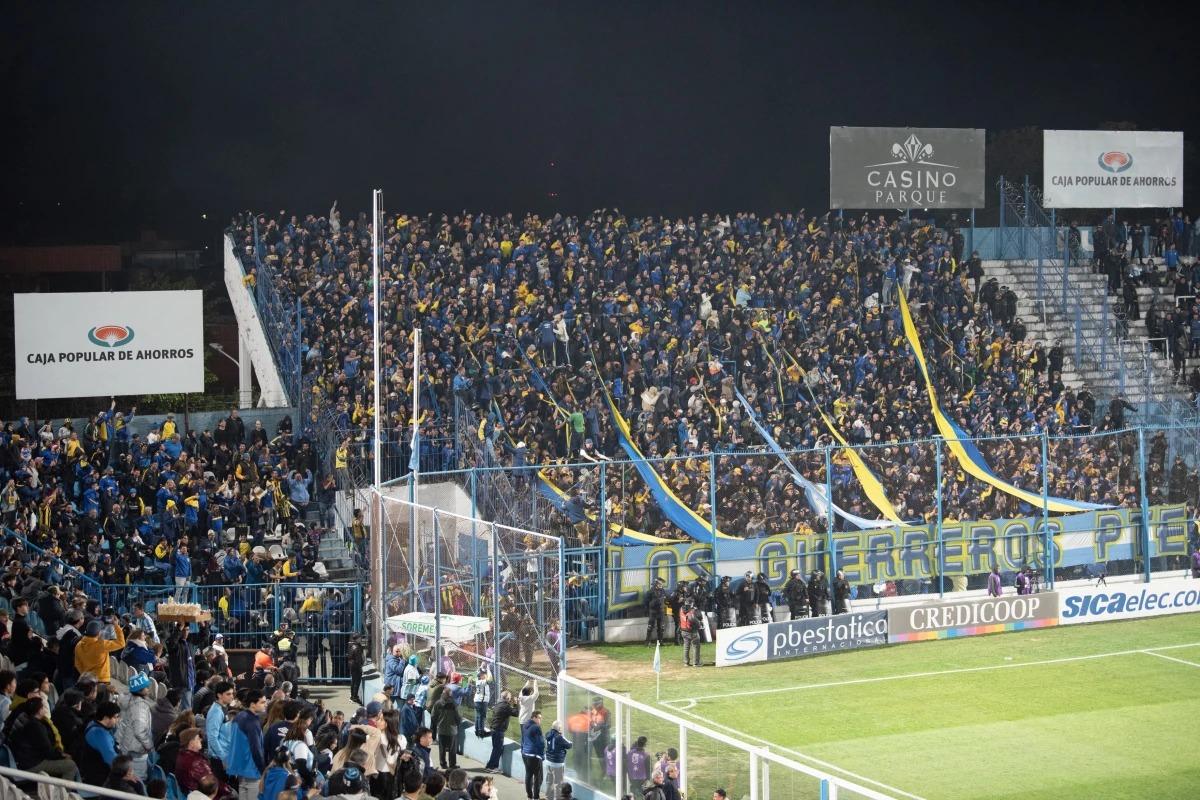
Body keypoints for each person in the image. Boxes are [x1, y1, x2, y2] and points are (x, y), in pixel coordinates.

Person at [2, 696, 77, 779]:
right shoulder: (36, 727)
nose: (45, 709)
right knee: (71, 765)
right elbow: (48, 751)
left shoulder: (25, 719)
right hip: (30, 764)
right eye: (43, 707)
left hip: (22, 760)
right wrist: (62, 755)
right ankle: (62, 788)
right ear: (39, 711)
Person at [226, 689, 269, 800]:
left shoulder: (239, 716)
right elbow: (256, 749)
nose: (265, 705)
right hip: (252, 769)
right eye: (262, 702)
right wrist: (263, 770)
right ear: (253, 704)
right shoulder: (252, 722)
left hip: (240, 769)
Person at [116, 672, 156, 779]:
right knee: (138, 779)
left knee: (127, 776)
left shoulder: (129, 699)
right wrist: (150, 746)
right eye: (146, 687)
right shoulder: (139, 707)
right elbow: (139, 731)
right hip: (136, 749)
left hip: (126, 744)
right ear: (140, 690)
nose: (148, 689)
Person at [77, 700, 123, 786]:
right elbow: (112, 760)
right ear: (106, 718)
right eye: (115, 717)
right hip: (99, 777)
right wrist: (125, 772)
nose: (118, 720)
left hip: (92, 771)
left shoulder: (93, 723)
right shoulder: (100, 734)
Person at [484, 691, 517, 773]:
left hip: (494, 728)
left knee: (496, 748)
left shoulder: (498, 704)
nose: (510, 699)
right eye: (510, 697)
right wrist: (515, 704)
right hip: (498, 730)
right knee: (497, 749)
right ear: (507, 698)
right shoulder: (505, 706)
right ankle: (491, 767)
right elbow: (516, 713)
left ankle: (492, 766)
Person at [175, 727, 215, 795]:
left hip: (190, 794)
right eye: (198, 738)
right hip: (201, 795)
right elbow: (211, 784)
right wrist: (228, 790)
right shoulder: (196, 761)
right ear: (191, 742)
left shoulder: (182, 755)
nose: (201, 739)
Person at [544, 720, 572, 800]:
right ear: (559, 728)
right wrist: (562, 736)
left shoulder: (547, 734)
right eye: (561, 727)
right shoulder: (559, 737)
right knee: (559, 784)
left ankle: (548, 797)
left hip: (548, 762)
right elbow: (569, 745)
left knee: (549, 782)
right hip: (557, 764)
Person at [436, 686, 462, 770]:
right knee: (452, 749)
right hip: (452, 730)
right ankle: (452, 764)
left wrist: (437, 723)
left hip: (441, 729)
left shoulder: (438, 703)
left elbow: (433, 715)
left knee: (442, 748)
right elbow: (458, 717)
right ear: (450, 695)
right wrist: (457, 724)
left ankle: (443, 764)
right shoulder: (454, 704)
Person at [520, 710, 545, 800]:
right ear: (534, 717)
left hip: (525, 754)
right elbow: (541, 743)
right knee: (539, 777)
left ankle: (529, 796)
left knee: (528, 774)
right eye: (539, 718)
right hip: (534, 755)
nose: (540, 720)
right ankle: (536, 797)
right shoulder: (536, 727)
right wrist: (542, 756)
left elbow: (522, 739)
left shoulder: (525, 725)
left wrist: (522, 750)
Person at [644, 578, 666, 644]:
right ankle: (647, 642)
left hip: (661, 611)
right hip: (653, 611)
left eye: (662, 584)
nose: (661, 585)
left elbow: (666, 598)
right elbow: (646, 602)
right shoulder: (650, 591)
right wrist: (647, 611)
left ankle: (660, 642)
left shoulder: (663, 591)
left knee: (661, 627)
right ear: (656, 584)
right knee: (650, 627)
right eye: (660, 584)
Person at [679, 601, 701, 667]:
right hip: (692, 631)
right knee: (696, 647)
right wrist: (699, 624)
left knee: (686, 647)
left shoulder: (681, 609)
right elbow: (692, 619)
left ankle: (686, 663)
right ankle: (696, 663)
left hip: (683, 630)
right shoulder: (691, 612)